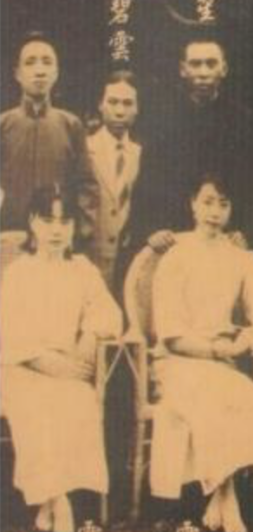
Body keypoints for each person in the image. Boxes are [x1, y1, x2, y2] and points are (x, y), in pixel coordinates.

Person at [149, 174, 253, 532]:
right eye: (207, 202)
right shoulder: (175, 257)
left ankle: (220, 497)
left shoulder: (240, 257)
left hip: (222, 362)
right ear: (193, 204)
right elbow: (171, 334)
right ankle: (227, 498)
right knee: (212, 393)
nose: (215, 212)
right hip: (179, 361)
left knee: (241, 392)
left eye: (223, 204)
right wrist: (214, 350)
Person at [0, 186, 122, 532]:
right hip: (22, 368)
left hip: (68, 368)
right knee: (37, 407)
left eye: (64, 221)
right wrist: (49, 364)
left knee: (77, 401)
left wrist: (90, 334)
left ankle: (49, 503)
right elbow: (9, 335)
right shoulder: (18, 273)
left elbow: (108, 313)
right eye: (48, 220)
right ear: (32, 223)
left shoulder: (82, 269)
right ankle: (60, 503)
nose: (56, 230)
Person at [125, 35, 253, 267]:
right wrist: (152, 229)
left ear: (224, 69)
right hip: (174, 241)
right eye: (195, 64)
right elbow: (148, 182)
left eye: (211, 64)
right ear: (183, 70)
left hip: (227, 240)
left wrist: (248, 233)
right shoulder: (163, 120)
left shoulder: (244, 121)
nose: (203, 72)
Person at [0, 33, 99, 239]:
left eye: (47, 62)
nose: (39, 70)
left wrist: (79, 233)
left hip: (56, 237)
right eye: (30, 62)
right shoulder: (4, 124)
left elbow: (86, 186)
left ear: (56, 72)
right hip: (8, 236)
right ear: (17, 73)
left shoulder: (71, 125)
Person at [85, 70, 142, 292]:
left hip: (127, 263)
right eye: (113, 102)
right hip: (89, 259)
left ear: (137, 108)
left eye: (128, 103)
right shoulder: (83, 149)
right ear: (100, 105)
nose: (120, 111)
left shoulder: (142, 154)